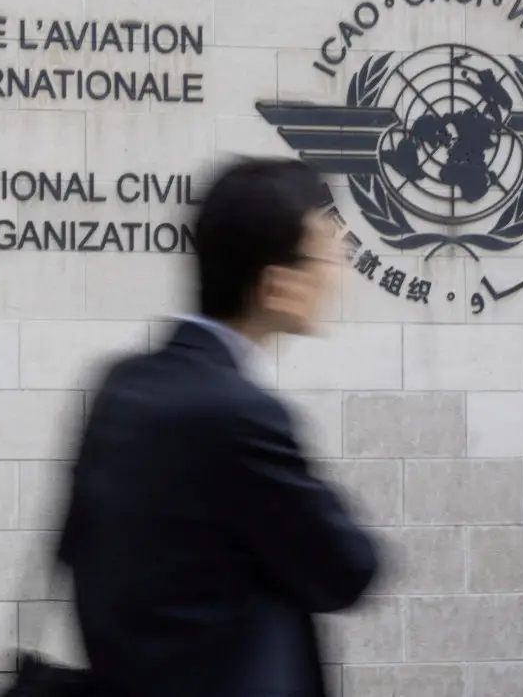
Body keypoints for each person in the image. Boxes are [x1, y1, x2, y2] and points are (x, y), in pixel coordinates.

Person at [55, 156, 384, 697]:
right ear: (278, 286)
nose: (342, 265)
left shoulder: (122, 384)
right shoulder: (239, 414)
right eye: (330, 247)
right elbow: (348, 569)